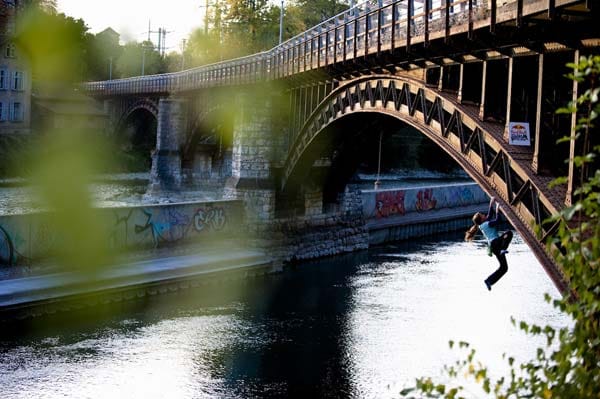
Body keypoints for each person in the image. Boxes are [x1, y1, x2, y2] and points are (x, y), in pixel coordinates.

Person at [465, 197, 513, 291]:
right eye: (483, 215)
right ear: (482, 219)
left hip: (494, 247)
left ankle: (489, 281)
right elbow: (498, 220)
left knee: (504, 268)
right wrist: (497, 209)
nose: (484, 215)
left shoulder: (482, 225)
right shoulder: (487, 224)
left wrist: (491, 203)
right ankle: (503, 249)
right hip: (496, 243)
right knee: (509, 233)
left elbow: (489, 215)